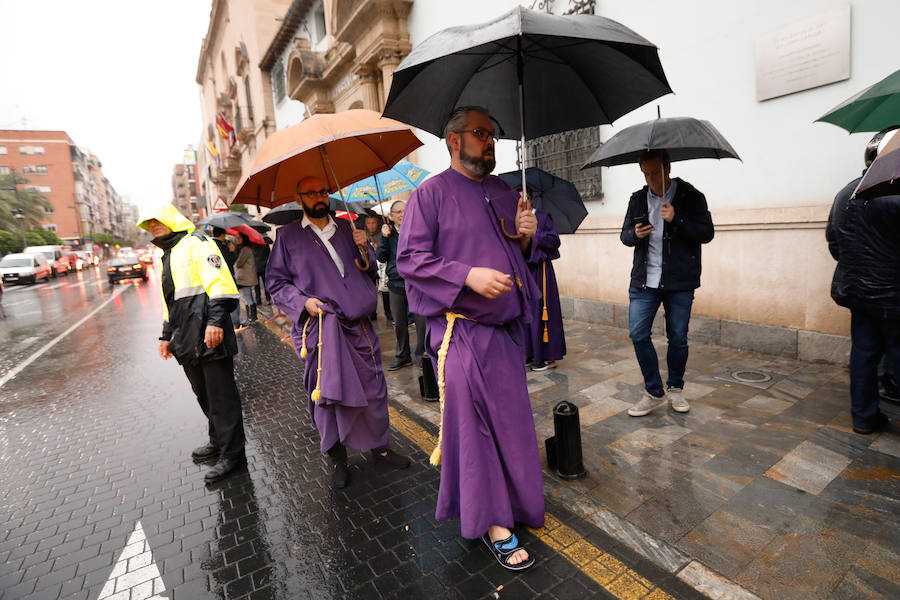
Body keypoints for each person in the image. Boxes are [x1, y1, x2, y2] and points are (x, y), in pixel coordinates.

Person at [397, 105, 543, 570]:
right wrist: (467, 276)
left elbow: (521, 256)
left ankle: (518, 503)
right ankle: (493, 522)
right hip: (458, 332)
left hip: (503, 333)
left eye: (494, 133)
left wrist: (524, 236)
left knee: (511, 424)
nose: (491, 141)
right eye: (482, 133)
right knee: (474, 427)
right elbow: (411, 260)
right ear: (454, 141)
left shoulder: (503, 192)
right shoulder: (429, 195)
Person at [266, 176, 410, 489]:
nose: (319, 197)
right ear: (299, 197)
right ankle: (338, 459)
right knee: (327, 397)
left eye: (323, 191)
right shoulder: (287, 237)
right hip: (320, 328)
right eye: (311, 193)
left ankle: (380, 448)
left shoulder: (348, 229)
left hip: (359, 326)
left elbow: (370, 271)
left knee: (373, 390)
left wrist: (365, 250)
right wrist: (304, 302)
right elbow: (276, 284)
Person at [138, 204, 246, 483]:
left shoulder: (198, 242)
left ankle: (233, 454)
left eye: (157, 222)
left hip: (209, 332)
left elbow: (222, 285)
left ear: (171, 219)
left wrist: (215, 322)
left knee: (222, 397)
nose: (154, 228)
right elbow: (169, 302)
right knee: (204, 394)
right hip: (185, 338)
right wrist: (165, 336)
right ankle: (218, 441)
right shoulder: (167, 255)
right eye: (149, 226)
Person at [620, 149, 714, 417]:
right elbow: (625, 235)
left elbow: (707, 233)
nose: (650, 179)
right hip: (644, 281)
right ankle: (653, 390)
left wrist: (677, 219)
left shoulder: (691, 196)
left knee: (678, 338)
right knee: (638, 334)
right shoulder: (637, 199)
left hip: (679, 281)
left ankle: (676, 388)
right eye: (645, 173)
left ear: (667, 168)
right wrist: (635, 234)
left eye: (654, 173)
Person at [826, 129, 900, 434]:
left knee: (864, 356)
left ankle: (864, 418)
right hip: (895, 297)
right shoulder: (896, 195)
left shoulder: (845, 193)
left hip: (858, 294)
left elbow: (834, 243)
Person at [518, 188, 566, 372]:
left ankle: (546, 356)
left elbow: (554, 241)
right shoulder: (516, 220)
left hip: (541, 272)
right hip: (523, 272)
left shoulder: (543, 217)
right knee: (525, 313)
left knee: (541, 313)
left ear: (531, 199)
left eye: (525, 198)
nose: (522, 202)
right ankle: (529, 352)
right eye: (518, 198)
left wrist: (535, 232)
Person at [377, 200, 426, 370]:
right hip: (396, 285)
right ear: (391, 216)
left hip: (416, 284)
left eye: (405, 210)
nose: (402, 214)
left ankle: (422, 356)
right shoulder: (388, 234)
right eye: (398, 212)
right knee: (399, 323)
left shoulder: (417, 230)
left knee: (422, 321)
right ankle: (403, 356)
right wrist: (383, 238)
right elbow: (381, 257)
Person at [233, 233, 258, 329]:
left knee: (247, 298)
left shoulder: (245, 249)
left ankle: (250, 318)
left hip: (245, 278)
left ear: (243, 239)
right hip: (247, 277)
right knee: (250, 297)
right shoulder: (247, 248)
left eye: (239, 238)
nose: (237, 239)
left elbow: (239, 263)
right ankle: (253, 317)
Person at [253, 236, 271, 306]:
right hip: (264, 267)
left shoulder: (252, 245)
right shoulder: (265, 244)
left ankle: (258, 301)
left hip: (255, 268)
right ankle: (268, 299)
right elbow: (269, 255)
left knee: (256, 286)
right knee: (266, 284)